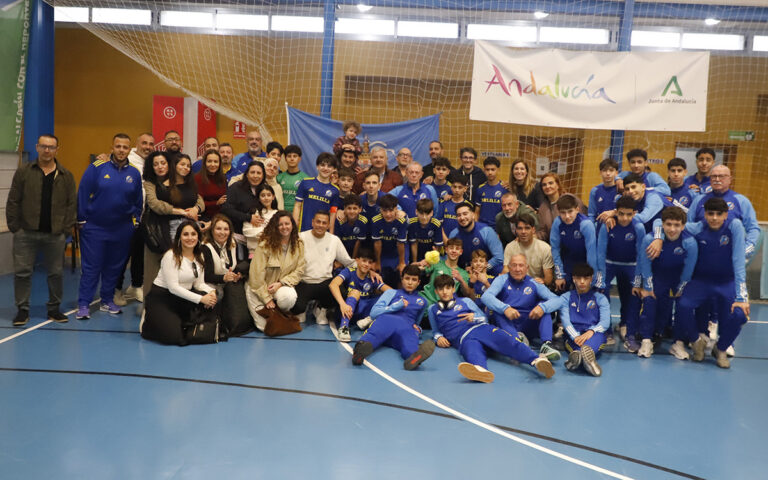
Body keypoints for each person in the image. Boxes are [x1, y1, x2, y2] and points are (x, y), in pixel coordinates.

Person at [429, 274, 555, 382]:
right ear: (436, 291)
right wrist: (438, 337)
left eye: (448, 288)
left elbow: (484, 317)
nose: (444, 292)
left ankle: (536, 360)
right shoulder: (432, 309)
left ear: (453, 289)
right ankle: (481, 370)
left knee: (508, 340)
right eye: (441, 289)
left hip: (481, 329)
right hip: (463, 339)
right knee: (471, 351)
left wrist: (474, 317)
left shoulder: (466, 301)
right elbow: (435, 331)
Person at [6, 134, 76, 325]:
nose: (47, 150)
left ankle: (54, 308)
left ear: (56, 150)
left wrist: (66, 230)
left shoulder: (66, 175)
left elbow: (72, 204)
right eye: (43, 146)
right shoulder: (24, 172)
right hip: (25, 233)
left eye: (51, 147)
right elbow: (13, 200)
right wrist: (15, 227)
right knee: (22, 273)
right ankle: (23, 310)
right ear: (37, 147)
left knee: (56, 273)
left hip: (55, 234)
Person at [673, 197, 748, 368]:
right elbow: (665, 223)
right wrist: (657, 237)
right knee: (683, 305)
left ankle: (720, 349)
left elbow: (738, 260)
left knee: (740, 314)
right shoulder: (697, 227)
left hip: (727, 282)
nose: (714, 218)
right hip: (701, 281)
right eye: (710, 214)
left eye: (718, 214)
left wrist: (742, 296)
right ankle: (696, 342)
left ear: (726, 215)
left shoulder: (734, 226)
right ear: (705, 214)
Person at [76, 133, 143, 319]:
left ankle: (107, 300)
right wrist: (82, 219)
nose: (121, 150)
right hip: (95, 228)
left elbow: (138, 201)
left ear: (130, 150)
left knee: (114, 267)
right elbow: (83, 192)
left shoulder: (134, 173)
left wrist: (135, 221)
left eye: (125, 147)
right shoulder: (97, 167)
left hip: (122, 229)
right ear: (112, 147)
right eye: (118, 146)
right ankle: (83, 304)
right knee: (91, 268)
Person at [140, 221, 217, 345]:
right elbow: (173, 288)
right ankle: (149, 321)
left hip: (183, 298)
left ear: (198, 236)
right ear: (179, 237)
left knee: (191, 330)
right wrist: (201, 298)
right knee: (175, 338)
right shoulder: (171, 256)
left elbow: (199, 284)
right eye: (185, 234)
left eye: (193, 234)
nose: (190, 238)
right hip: (162, 298)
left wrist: (212, 292)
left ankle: (174, 320)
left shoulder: (199, 255)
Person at [636, 207, 698, 359]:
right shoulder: (650, 239)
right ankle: (646, 340)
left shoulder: (689, 242)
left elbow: (689, 269)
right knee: (650, 301)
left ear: (683, 226)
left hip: (679, 278)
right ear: (662, 225)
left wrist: (681, 287)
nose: (672, 229)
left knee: (684, 305)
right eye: (668, 224)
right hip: (658, 277)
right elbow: (645, 264)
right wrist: (648, 287)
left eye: (677, 225)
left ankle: (678, 343)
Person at [141, 152, 204, 299]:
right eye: (156, 164)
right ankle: (149, 306)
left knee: (178, 269)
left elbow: (198, 199)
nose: (160, 167)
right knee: (154, 270)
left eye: (163, 163)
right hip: (156, 230)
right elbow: (155, 204)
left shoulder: (184, 182)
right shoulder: (151, 183)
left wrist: (196, 209)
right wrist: (180, 211)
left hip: (182, 230)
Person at [351, 264, 436, 370]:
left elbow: (416, 322)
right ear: (402, 279)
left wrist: (418, 329)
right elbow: (374, 313)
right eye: (407, 278)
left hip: (405, 327)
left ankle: (413, 358)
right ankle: (359, 353)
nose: (410, 282)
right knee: (373, 335)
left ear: (418, 282)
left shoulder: (423, 302)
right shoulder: (391, 292)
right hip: (386, 322)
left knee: (410, 342)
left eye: (414, 280)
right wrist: (395, 306)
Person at [480, 254, 561, 361]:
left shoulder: (534, 283)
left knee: (544, 306)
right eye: (514, 265)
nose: (517, 269)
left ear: (527, 268)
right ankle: (517, 341)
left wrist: (542, 307)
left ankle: (546, 346)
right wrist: (505, 308)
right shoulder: (501, 280)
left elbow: (558, 300)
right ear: (509, 267)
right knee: (497, 311)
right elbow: (486, 297)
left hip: (528, 323)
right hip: (508, 323)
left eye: (521, 265)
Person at [595, 196, 644, 350]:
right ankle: (607, 330)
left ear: (635, 213)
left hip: (631, 265)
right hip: (609, 264)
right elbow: (600, 252)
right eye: (621, 214)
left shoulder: (639, 228)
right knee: (601, 291)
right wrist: (601, 278)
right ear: (615, 212)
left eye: (629, 214)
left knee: (634, 296)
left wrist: (637, 281)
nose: (624, 218)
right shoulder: (608, 225)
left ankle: (630, 334)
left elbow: (641, 255)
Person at [245, 212, 306, 331]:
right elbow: (256, 276)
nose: (284, 227)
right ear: (275, 227)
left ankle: (280, 312)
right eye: (280, 224)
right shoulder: (265, 245)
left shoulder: (299, 244)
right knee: (265, 328)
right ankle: (274, 313)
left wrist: (281, 283)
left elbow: (300, 269)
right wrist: (266, 298)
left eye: (287, 223)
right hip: (258, 289)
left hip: (278, 286)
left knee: (289, 297)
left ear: (292, 225)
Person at [547, 264, 611, 377]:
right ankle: (588, 362)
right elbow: (566, 322)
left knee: (589, 345)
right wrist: (575, 336)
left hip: (594, 334)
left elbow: (605, 322)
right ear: (573, 279)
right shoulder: (566, 297)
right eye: (579, 278)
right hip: (572, 335)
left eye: (586, 278)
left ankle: (575, 362)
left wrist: (591, 331)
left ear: (591, 279)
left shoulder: (600, 298)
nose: (582, 282)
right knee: (577, 347)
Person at [686, 165, 760, 261]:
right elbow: (688, 226)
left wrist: (745, 250)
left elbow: (753, 228)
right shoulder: (699, 200)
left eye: (721, 176)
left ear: (730, 179)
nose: (717, 179)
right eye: (714, 176)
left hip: (729, 259)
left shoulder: (741, 201)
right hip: (700, 258)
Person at [292, 210, 355, 323]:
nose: (320, 225)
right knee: (297, 311)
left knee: (343, 293)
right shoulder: (300, 238)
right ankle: (303, 308)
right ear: (312, 222)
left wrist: (369, 271)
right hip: (303, 282)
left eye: (324, 223)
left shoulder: (334, 240)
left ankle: (321, 308)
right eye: (318, 222)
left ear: (328, 225)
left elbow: (348, 262)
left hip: (325, 283)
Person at [329, 246, 391, 342]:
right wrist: (342, 304)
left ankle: (370, 319)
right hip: (348, 310)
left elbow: (391, 292)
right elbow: (333, 284)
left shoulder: (373, 277)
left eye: (369, 262)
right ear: (357, 260)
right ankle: (344, 327)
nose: (366, 264)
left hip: (364, 314)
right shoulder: (349, 271)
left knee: (388, 296)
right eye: (364, 261)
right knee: (355, 292)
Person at [550, 194, 597, 292]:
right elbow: (555, 249)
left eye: (570, 211)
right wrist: (559, 275)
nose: (567, 216)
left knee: (585, 293)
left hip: (584, 261)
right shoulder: (557, 223)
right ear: (558, 212)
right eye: (563, 213)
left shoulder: (586, 224)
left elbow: (592, 254)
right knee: (561, 290)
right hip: (567, 261)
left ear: (577, 209)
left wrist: (591, 277)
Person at [448, 203, 504, 275]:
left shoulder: (487, 231)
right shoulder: (454, 234)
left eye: (465, 214)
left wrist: (481, 268)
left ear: (473, 215)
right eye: (459, 215)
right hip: (464, 271)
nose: (462, 218)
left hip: (486, 269)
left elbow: (499, 257)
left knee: (500, 269)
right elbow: (449, 257)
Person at [294, 152, 341, 233]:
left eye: (329, 166)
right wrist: (294, 227)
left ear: (334, 169)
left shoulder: (335, 190)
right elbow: (297, 206)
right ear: (317, 167)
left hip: (322, 232)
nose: (325, 168)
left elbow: (333, 214)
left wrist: (331, 234)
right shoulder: (305, 183)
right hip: (304, 229)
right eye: (322, 165)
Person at [502, 213, 554, 286]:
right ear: (516, 230)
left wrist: (543, 281)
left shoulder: (545, 248)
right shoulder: (510, 247)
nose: (523, 232)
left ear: (533, 230)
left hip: (536, 286)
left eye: (527, 228)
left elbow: (548, 279)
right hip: (515, 284)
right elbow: (506, 270)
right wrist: (502, 278)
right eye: (520, 228)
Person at [420, 238, 472, 307]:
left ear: (461, 252)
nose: (454, 251)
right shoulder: (436, 263)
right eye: (451, 248)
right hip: (427, 300)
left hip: (446, 306)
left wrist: (461, 280)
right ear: (446, 250)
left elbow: (467, 293)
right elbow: (417, 270)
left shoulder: (463, 273)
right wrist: (420, 264)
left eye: (457, 249)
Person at [201, 214, 247, 291]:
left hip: (228, 284)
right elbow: (206, 276)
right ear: (212, 230)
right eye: (218, 229)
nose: (222, 232)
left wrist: (237, 274)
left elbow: (236, 264)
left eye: (226, 229)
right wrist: (223, 278)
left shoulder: (233, 243)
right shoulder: (205, 247)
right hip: (211, 285)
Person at [536, 173, 586, 242]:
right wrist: (533, 236)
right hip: (554, 245)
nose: (547, 186)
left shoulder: (571, 198)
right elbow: (543, 232)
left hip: (575, 241)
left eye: (550, 183)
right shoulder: (542, 208)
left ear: (558, 185)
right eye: (544, 185)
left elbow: (583, 220)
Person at [221, 160, 266, 239]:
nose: (255, 176)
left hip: (259, 235)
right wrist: (248, 218)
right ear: (247, 174)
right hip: (237, 235)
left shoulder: (265, 189)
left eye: (259, 173)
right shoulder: (236, 187)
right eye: (252, 172)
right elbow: (226, 209)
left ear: (263, 176)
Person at [371, 194, 409, 287]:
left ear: (396, 209)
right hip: (384, 252)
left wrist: (401, 263)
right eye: (385, 211)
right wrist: (378, 262)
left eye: (391, 210)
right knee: (379, 275)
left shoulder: (401, 221)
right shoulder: (375, 221)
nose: (388, 214)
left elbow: (400, 243)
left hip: (399, 252)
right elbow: (377, 243)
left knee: (402, 273)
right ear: (380, 210)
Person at [242, 184, 279, 254]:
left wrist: (264, 233)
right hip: (254, 252)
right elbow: (246, 231)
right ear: (258, 198)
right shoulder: (253, 212)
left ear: (273, 197)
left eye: (269, 195)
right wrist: (266, 233)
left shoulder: (278, 214)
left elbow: (279, 233)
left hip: (273, 252)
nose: (266, 198)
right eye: (263, 195)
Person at [474, 156, 508, 229]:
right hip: (482, 228)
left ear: (498, 170)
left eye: (493, 169)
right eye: (487, 170)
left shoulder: (505, 188)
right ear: (484, 170)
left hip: (499, 228)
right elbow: (477, 212)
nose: (490, 172)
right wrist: (476, 227)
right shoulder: (480, 188)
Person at [194, 149, 227, 221]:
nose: (213, 164)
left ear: (219, 163)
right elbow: (197, 203)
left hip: (220, 216)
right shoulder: (197, 179)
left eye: (216, 162)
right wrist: (216, 203)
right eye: (209, 161)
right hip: (203, 216)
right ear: (204, 163)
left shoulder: (223, 178)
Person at [408, 199, 443, 263]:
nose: (424, 217)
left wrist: (430, 261)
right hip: (416, 256)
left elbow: (437, 247)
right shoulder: (412, 223)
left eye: (427, 214)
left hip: (431, 257)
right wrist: (415, 262)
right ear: (416, 212)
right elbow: (414, 244)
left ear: (432, 213)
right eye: (421, 213)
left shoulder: (436, 224)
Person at [588, 158, 621, 225]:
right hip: (600, 227)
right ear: (600, 173)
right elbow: (591, 215)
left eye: (611, 170)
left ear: (616, 173)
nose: (608, 173)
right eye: (604, 170)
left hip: (618, 226)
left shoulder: (621, 189)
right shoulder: (595, 191)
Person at [276, 144, 308, 214]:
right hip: (281, 214)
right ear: (285, 158)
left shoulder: (306, 179)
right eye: (289, 156)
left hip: (298, 215)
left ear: (300, 159)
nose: (292, 159)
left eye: (295, 156)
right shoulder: (279, 178)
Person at [439, 174, 470, 240]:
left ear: (465, 189)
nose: (457, 190)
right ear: (451, 187)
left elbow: (470, 227)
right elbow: (439, 225)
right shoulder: (444, 203)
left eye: (460, 187)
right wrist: (446, 241)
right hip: (444, 242)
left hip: (461, 243)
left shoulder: (468, 206)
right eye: (454, 187)